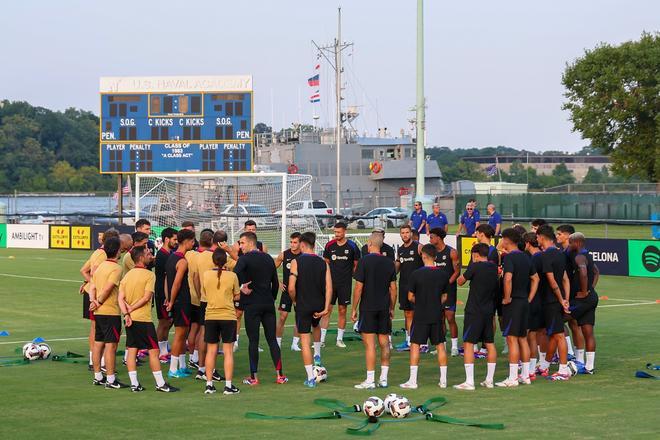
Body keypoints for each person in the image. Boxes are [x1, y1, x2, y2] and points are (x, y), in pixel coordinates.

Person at [118, 246, 179, 393]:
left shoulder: (128, 275)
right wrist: (132, 309)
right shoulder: (149, 275)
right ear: (140, 258)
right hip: (143, 320)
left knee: (132, 350)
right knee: (154, 351)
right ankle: (160, 384)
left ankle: (134, 384)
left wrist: (126, 313)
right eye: (147, 253)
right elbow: (146, 298)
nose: (151, 255)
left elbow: (120, 298)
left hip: (130, 320)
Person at [234, 231, 287, 385]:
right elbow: (275, 283)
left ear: (251, 243)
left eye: (242, 243)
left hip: (251, 305)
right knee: (272, 340)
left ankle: (254, 378)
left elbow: (232, 275)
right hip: (268, 304)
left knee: (253, 341)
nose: (240, 246)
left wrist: (240, 287)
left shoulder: (244, 259)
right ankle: (280, 376)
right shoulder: (268, 258)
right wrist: (272, 298)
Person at [400, 244, 449, 389]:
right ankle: (443, 380)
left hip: (421, 314)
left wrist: (421, 301)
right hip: (436, 314)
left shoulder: (416, 274)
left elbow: (410, 296)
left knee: (415, 345)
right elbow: (445, 296)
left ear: (424, 256)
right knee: (440, 346)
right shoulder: (443, 274)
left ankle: (413, 381)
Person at [351, 233, 397, 389]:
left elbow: (358, 288)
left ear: (370, 243)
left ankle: (370, 380)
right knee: (384, 343)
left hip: (368, 308)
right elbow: (393, 289)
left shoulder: (364, 261)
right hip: (383, 307)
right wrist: (391, 308)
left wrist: (354, 309)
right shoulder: (389, 263)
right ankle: (383, 379)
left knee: (370, 345)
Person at [288, 232, 332, 387]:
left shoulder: (296, 262)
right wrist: (326, 307)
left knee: (305, 340)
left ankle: (311, 379)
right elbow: (329, 286)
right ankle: (318, 355)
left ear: (302, 244)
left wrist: (294, 301)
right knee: (316, 325)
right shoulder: (323, 263)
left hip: (303, 305)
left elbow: (291, 287)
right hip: (319, 305)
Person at [496, 228, 539, 387]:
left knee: (512, 338)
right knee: (523, 338)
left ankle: (513, 378)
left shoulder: (509, 258)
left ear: (507, 240)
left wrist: (507, 298)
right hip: (523, 302)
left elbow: (507, 279)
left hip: (513, 303)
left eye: (502, 239)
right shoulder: (526, 257)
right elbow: (535, 278)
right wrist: (529, 298)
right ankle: (525, 376)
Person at [454, 243, 499, 390]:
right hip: (489, 310)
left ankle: (469, 381)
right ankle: (489, 380)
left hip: (474, 310)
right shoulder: (493, 267)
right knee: (490, 343)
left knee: (468, 343)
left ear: (475, 254)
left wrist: (470, 266)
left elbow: (460, 281)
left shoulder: (475, 266)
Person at [201, 248, 241, 395]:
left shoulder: (206, 275)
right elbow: (237, 296)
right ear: (225, 261)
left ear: (213, 260)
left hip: (211, 316)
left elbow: (205, 293)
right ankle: (228, 385)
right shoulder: (232, 276)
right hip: (228, 316)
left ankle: (209, 384)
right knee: (228, 351)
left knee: (211, 351)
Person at [224, 219, 267, 352]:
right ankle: (235, 340)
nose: (251, 231)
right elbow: (235, 262)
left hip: (256, 285)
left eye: (253, 229)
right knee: (238, 313)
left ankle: (255, 342)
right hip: (241, 282)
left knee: (256, 314)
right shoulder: (237, 245)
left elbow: (264, 263)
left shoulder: (261, 246)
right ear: (244, 230)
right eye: (249, 229)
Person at [88, 236, 125, 389]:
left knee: (98, 344)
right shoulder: (116, 268)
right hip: (110, 311)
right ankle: (110, 379)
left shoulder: (100, 266)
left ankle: (98, 376)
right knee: (111, 346)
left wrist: (93, 302)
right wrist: (100, 301)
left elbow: (92, 287)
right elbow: (109, 288)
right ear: (117, 250)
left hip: (98, 312)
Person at [536, 225, 572, 380]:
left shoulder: (545, 256)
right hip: (557, 300)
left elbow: (552, 282)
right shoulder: (560, 254)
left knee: (558, 335)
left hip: (551, 301)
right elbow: (565, 279)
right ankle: (545, 365)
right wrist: (566, 299)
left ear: (542, 237)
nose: (536, 240)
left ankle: (563, 369)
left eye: (537, 237)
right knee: (552, 334)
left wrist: (560, 300)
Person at [80, 228, 119, 370]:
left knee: (95, 327)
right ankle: (98, 362)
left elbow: (83, 270)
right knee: (97, 329)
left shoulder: (97, 252)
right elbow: (95, 272)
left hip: (91, 292)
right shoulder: (103, 255)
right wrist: (94, 285)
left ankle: (95, 360)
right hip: (96, 296)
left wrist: (87, 282)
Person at [322, 221, 360, 348]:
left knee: (342, 310)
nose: (336, 234)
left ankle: (339, 339)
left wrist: (350, 275)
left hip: (345, 284)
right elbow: (325, 263)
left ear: (344, 232)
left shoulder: (352, 246)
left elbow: (356, 265)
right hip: (330, 285)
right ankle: (321, 340)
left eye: (338, 232)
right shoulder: (329, 245)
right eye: (335, 232)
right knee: (327, 311)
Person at [165, 228, 196, 378]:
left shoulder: (171, 257)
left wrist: (168, 298)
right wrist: (171, 301)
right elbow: (176, 284)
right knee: (180, 334)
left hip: (177, 300)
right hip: (181, 301)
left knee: (183, 334)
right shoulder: (182, 261)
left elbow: (166, 280)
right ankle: (173, 369)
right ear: (187, 241)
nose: (194, 243)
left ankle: (182, 366)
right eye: (192, 241)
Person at [567, 232, 599, 373]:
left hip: (583, 299)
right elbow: (596, 272)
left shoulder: (580, 256)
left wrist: (585, 290)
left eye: (571, 242)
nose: (569, 245)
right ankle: (589, 367)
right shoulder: (587, 254)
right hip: (591, 298)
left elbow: (584, 273)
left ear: (578, 243)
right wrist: (591, 288)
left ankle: (565, 357)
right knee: (588, 332)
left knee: (558, 319)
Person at [429, 228, 461, 356]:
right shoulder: (431, 252)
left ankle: (454, 346)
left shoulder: (451, 252)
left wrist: (447, 284)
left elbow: (457, 271)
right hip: (434, 291)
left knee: (450, 318)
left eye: (432, 237)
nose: (430, 239)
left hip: (448, 291)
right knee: (439, 319)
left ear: (439, 238)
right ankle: (441, 346)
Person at [188, 230, 214, 377]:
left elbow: (195, 277)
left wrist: (198, 294)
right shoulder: (213, 256)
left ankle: (195, 359)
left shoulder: (193, 256)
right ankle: (204, 366)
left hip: (196, 298)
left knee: (196, 328)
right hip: (210, 300)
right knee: (209, 334)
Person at [556, 224, 584, 360]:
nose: (557, 236)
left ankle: (572, 355)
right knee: (573, 324)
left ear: (568, 236)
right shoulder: (563, 252)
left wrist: (583, 290)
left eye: (559, 234)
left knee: (563, 322)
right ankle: (577, 357)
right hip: (568, 293)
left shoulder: (572, 253)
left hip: (572, 295)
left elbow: (586, 271)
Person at [394, 225, 423, 351]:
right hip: (404, 286)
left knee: (419, 314)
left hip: (418, 287)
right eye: (402, 233)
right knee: (407, 313)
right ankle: (409, 341)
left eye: (407, 232)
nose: (405, 235)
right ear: (400, 235)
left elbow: (428, 262)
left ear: (411, 233)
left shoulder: (418, 247)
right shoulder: (400, 250)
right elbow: (397, 268)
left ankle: (421, 341)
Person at [523, 232, 547, 380]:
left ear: (527, 244)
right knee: (541, 333)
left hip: (534, 300)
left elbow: (533, 280)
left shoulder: (533, 259)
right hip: (544, 300)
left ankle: (529, 369)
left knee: (529, 335)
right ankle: (542, 365)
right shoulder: (544, 255)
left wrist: (529, 298)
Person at [275, 232, 302, 351]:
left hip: (301, 291)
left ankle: (295, 344)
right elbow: (270, 269)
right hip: (287, 291)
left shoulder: (304, 255)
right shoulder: (284, 255)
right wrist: (278, 282)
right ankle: (277, 343)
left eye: (295, 242)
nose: (292, 244)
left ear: (301, 243)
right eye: (291, 242)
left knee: (299, 317)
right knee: (282, 317)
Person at [154, 227, 176, 363]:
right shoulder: (163, 255)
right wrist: (167, 297)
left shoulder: (168, 254)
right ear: (166, 239)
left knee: (168, 322)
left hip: (166, 293)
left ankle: (163, 350)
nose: (176, 242)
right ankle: (159, 352)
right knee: (164, 322)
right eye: (174, 239)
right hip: (163, 294)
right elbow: (165, 277)